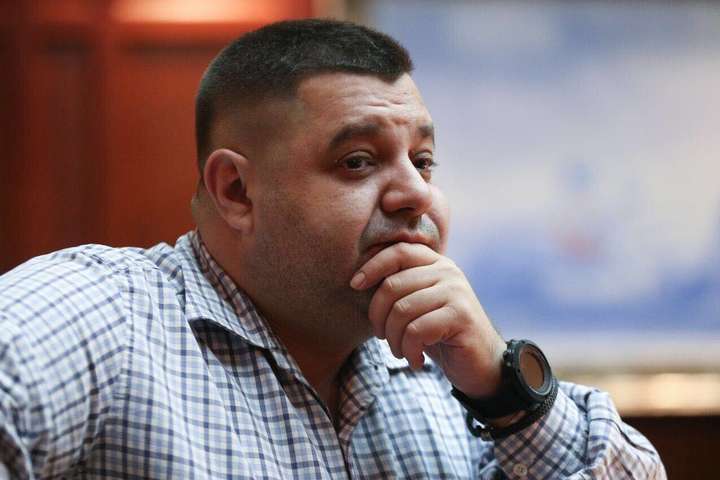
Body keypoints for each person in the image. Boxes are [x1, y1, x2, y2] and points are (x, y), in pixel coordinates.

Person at [0, 19, 665, 479]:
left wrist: (502, 390)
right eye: (357, 161)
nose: (417, 194)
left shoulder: (445, 375)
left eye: (423, 161)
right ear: (236, 191)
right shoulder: (107, 318)